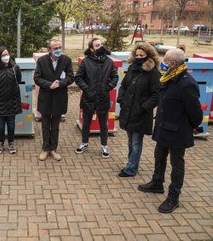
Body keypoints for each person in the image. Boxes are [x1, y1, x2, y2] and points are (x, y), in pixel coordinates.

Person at [138, 48, 203, 213]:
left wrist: (193, 126)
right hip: (163, 127)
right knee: (159, 157)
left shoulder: (187, 83)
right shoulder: (168, 78)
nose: (163, 63)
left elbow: (195, 113)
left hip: (177, 131)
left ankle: (173, 197)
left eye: (165, 61)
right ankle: (157, 183)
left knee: (177, 164)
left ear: (173, 64)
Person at [117, 43, 161, 177]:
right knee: (131, 141)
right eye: (136, 55)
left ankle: (131, 169)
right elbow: (123, 85)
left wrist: (143, 108)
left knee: (136, 142)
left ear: (149, 55)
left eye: (142, 55)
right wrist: (121, 99)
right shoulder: (131, 68)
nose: (139, 57)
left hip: (140, 114)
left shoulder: (153, 73)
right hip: (128, 111)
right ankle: (131, 163)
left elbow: (157, 95)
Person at [74, 38, 118, 158]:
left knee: (103, 123)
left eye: (101, 44)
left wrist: (108, 87)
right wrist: (87, 89)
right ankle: (84, 143)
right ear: (92, 49)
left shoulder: (109, 62)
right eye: (97, 45)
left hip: (103, 97)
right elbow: (78, 77)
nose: (100, 47)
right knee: (86, 123)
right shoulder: (86, 61)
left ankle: (104, 146)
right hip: (89, 97)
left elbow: (115, 77)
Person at [34, 39, 74, 161]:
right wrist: (48, 84)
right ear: (49, 50)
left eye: (59, 47)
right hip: (45, 98)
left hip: (59, 98)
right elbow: (37, 78)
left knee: (55, 126)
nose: (58, 50)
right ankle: (45, 149)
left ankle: (53, 149)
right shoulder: (42, 61)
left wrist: (60, 83)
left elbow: (71, 77)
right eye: (55, 48)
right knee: (45, 125)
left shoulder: (66, 60)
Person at [0, 46, 22, 154]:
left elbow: (19, 80)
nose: (6, 57)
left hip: (13, 100)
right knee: (1, 125)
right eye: (3, 55)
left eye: (7, 54)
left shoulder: (15, 67)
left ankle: (11, 143)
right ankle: (0, 143)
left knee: (11, 124)